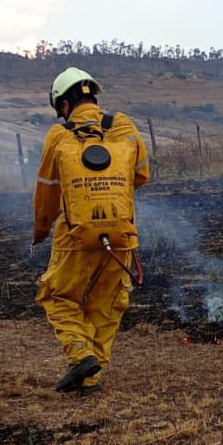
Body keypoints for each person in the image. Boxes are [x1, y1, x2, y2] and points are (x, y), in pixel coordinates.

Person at [32, 68, 149, 394]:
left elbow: (47, 190)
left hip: (73, 237)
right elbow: (141, 176)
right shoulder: (124, 128)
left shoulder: (59, 136)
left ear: (64, 105)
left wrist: (41, 228)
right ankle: (90, 378)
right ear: (93, 96)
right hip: (121, 234)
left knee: (57, 296)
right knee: (106, 304)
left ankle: (81, 355)